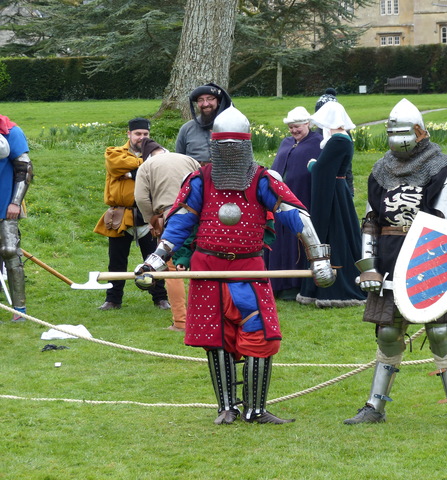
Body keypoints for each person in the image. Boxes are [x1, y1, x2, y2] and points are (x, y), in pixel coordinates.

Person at [134, 106, 336, 424]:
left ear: (245, 145)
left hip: (249, 269)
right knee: (216, 339)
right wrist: (154, 261)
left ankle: (256, 409)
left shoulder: (261, 179)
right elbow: (179, 224)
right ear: (214, 144)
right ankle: (226, 407)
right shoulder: (200, 180)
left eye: (235, 145)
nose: (229, 151)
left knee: (261, 335)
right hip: (208, 269)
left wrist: (319, 257)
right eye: (223, 145)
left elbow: (296, 214)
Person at [343, 98, 447, 428]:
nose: (396, 138)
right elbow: (372, 219)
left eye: (402, 132)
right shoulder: (380, 170)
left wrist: (435, 265)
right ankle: (375, 406)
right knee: (388, 332)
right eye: (391, 132)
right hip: (387, 257)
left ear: (420, 131)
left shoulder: (446, 167)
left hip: (431, 258)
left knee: (441, 332)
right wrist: (368, 265)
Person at [93, 117, 170, 311]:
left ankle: (160, 298)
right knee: (116, 261)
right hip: (121, 215)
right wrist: (145, 161)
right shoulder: (115, 152)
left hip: (148, 216)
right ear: (129, 134)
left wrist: (131, 172)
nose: (141, 137)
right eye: (138, 134)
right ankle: (113, 299)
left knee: (155, 259)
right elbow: (115, 165)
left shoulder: (157, 156)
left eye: (145, 134)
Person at [297, 102, 366, 308]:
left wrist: (311, 165)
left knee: (336, 234)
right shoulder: (343, 138)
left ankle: (338, 289)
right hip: (339, 189)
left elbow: (321, 170)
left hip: (334, 193)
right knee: (343, 231)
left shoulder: (337, 140)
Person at [134, 138, 201, 331]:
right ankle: (209, 316)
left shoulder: (146, 166)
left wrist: (151, 220)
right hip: (199, 217)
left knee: (172, 271)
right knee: (205, 264)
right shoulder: (188, 159)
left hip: (171, 218)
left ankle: (181, 321)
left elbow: (140, 198)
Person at [267, 106, 322, 300]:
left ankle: (294, 285)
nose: (293, 131)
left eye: (297, 126)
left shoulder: (317, 143)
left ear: (307, 124)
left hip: (302, 199)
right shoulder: (286, 143)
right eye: (290, 127)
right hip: (278, 202)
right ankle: (277, 284)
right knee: (279, 242)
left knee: (297, 242)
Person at [0, 114, 32, 322]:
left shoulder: (11, 131)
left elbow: (25, 169)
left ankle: (19, 309)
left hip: (4, 203)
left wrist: (15, 202)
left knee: (10, 251)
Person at [175, 83, 232, 164]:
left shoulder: (232, 126)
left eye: (210, 99)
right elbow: (179, 161)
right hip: (195, 175)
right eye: (200, 100)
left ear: (218, 101)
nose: (205, 104)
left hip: (227, 175)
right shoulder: (186, 129)